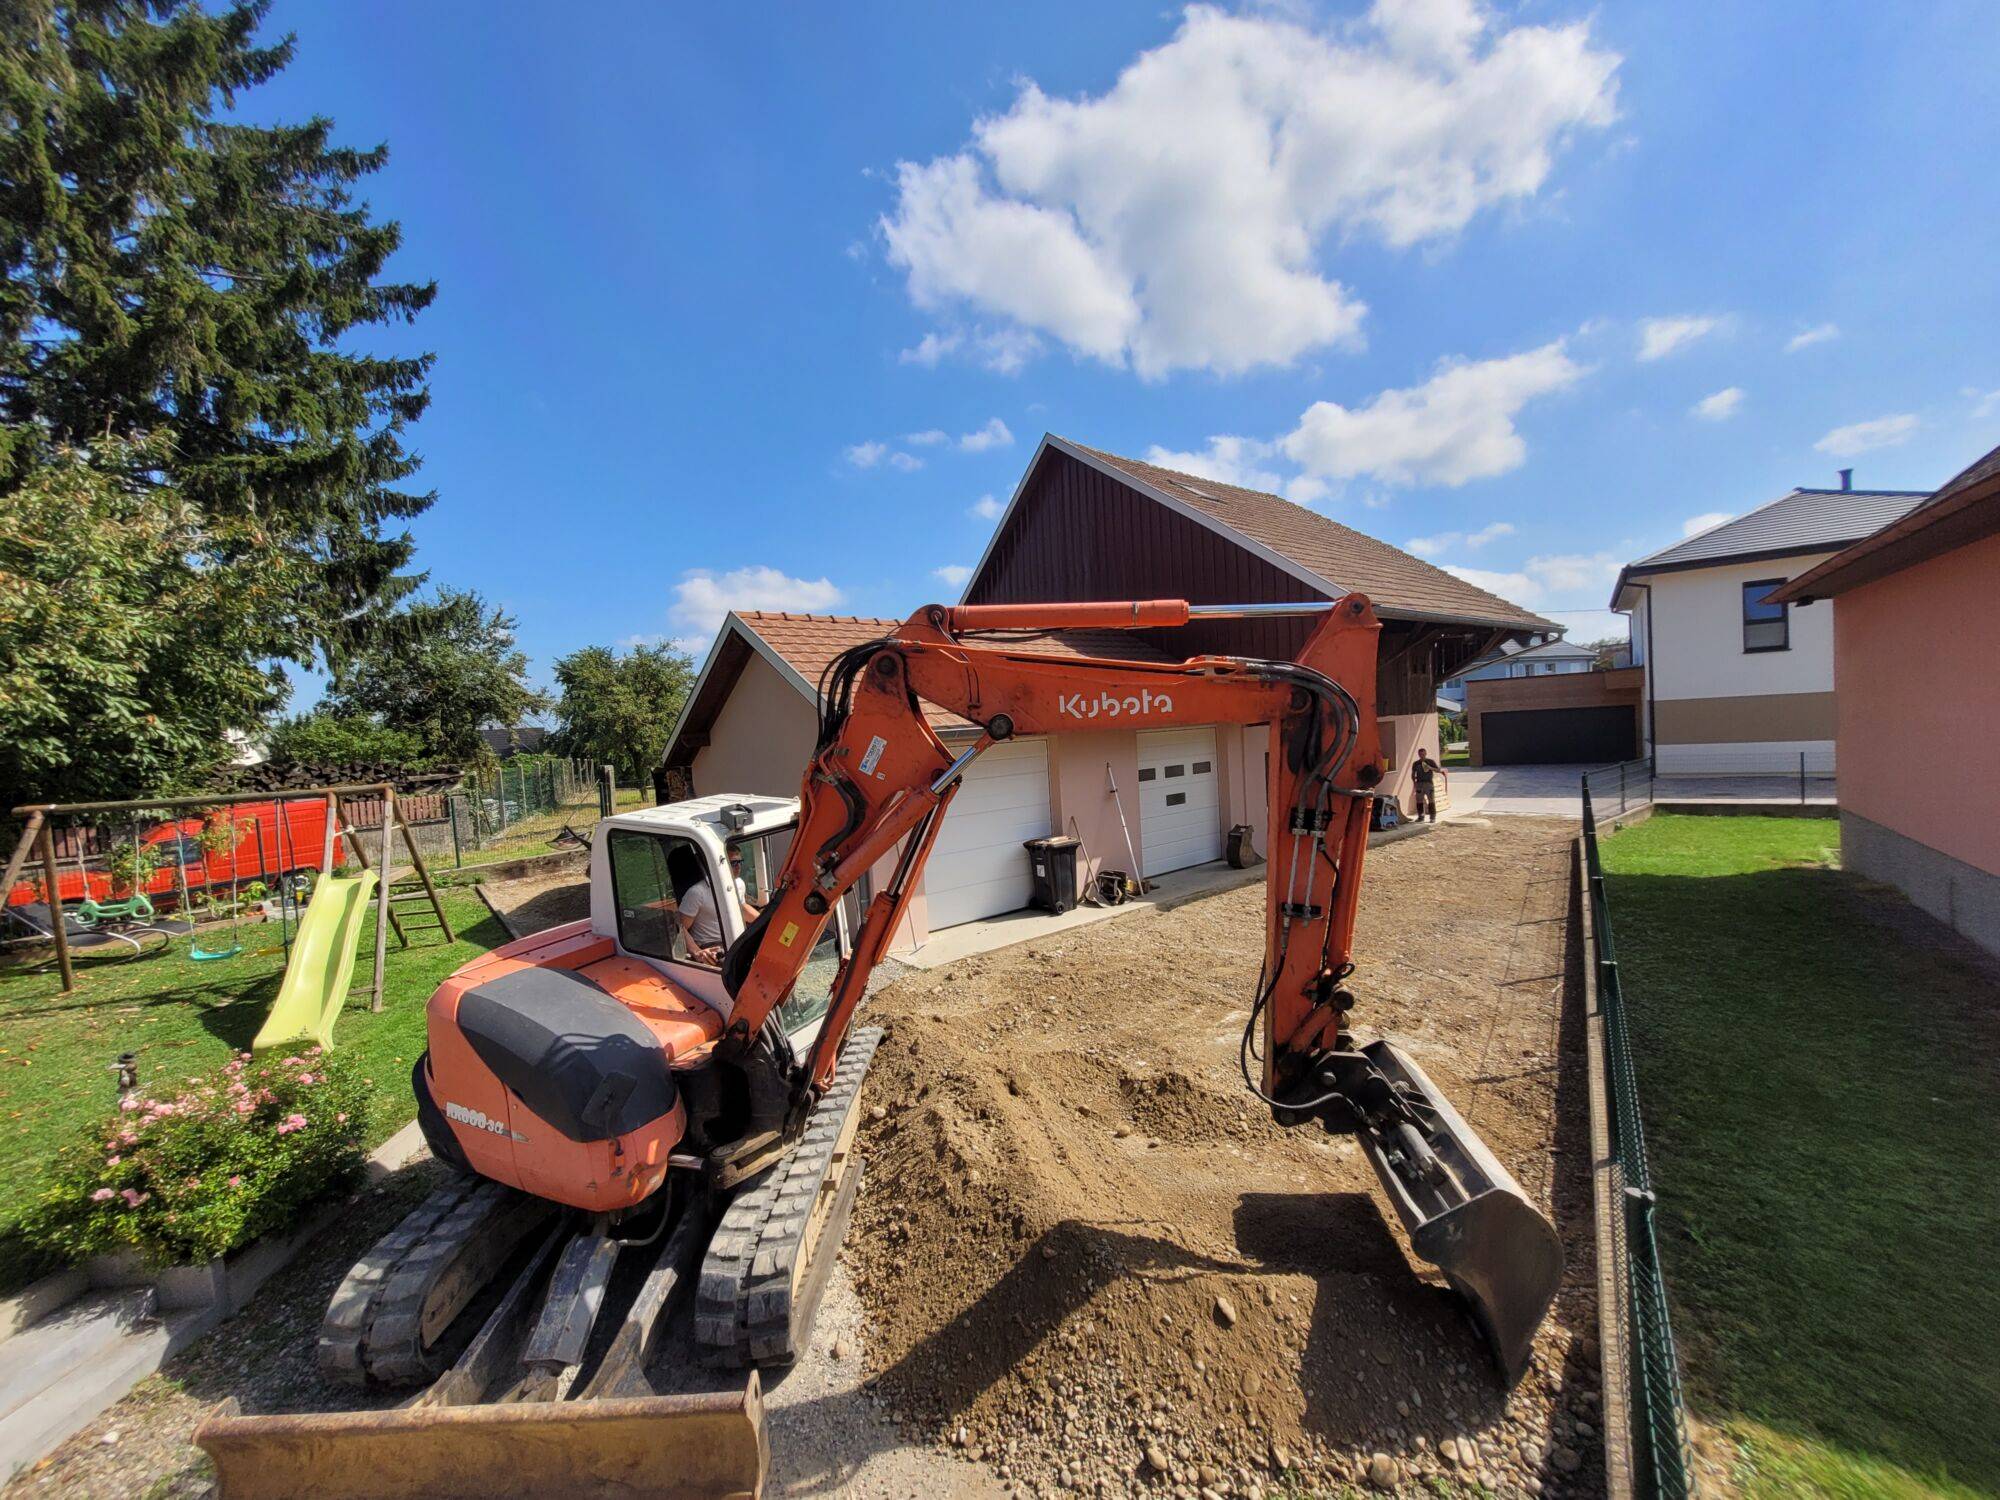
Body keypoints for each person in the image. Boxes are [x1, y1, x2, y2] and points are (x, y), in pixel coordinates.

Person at [676, 847, 763, 965]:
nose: (738, 866)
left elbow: (741, 908)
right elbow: (680, 928)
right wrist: (697, 952)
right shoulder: (696, 892)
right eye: (733, 863)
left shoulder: (739, 883)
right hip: (712, 946)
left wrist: (767, 922)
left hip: (735, 940)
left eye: (740, 862)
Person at [1410, 747, 1446, 823]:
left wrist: (1430, 768)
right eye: (1420, 754)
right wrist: (1414, 783)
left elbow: (1438, 770)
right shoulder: (1416, 763)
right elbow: (1413, 774)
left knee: (1431, 800)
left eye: (1423, 754)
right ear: (1418, 755)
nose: (1422, 756)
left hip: (1428, 783)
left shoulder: (1430, 761)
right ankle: (1421, 816)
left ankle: (1432, 817)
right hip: (1419, 783)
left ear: (1425, 754)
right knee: (1419, 800)